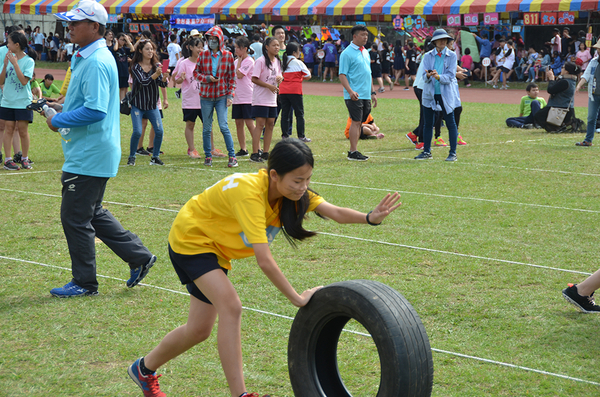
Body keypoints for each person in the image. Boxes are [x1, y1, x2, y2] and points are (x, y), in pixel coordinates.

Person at [127, 138, 402, 397]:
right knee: (231, 307)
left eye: (307, 179)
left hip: (216, 248)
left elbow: (334, 212)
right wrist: (297, 298)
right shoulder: (249, 195)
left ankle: (143, 369)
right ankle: (241, 394)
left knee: (199, 330)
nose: (303, 187)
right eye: (297, 180)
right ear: (274, 175)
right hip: (192, 240)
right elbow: (264, 260)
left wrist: (370, 218)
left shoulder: (292, 194)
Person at [46, 0, 157, 297]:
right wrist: (61, 107)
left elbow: (95, 110)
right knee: (91, 212)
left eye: (75, 22)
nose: (69, 27)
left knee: (75, 217)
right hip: (93, 150)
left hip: (89, 153)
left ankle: (85, 282)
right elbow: (90, 103)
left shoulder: (95, 60)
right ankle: (139, 257)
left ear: (95, 27)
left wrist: (59, 119)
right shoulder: (91, 56)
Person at [193, 25, 238, 168]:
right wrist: (207, 78)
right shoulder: (203, 55)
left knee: (223, 126)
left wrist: (230, 95)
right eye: (209, 39)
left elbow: (232, 77)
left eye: (214, 39)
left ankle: (232, 156)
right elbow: (196, 73)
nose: (211, 41)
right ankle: (208, 155)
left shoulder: (228, 56)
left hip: (222, 95)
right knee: (206, 127)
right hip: (206, 96)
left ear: (220, 40)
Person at [414, 29, 459, 162]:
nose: (443, 41)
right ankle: (426, 151)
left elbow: (451, 76)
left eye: (445, 39)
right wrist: (428, 75)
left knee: (450, 123)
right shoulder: (427, 56)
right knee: (428, 123)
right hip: (429, 93)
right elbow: (424, 76)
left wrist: (439, 77)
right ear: (434, 42)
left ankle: (453, 153)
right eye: (440, 39)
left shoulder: (452, 55)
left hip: (445, 93)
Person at [126, 39, 168, 166]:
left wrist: (164, 77)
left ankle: (155, 157)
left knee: (159, 131)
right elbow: (144, 81)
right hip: (138, 105)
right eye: (147, 49)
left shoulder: (157, 66)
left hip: (152, 105)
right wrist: (156, 74)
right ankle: (132, 156)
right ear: (140, 51)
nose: (151, 51)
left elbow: (162, 83)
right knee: (137, 131)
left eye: (152, 49)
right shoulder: (135, 67)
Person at [339, 25, 377, 162]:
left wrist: (373, 92)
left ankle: (354, 150)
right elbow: (342, 75)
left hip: (366, 94)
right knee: (356, 122)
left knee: (360, 122)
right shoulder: (347, 53)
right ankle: (353, 151)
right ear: (354, 36)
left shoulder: (365, 52)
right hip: (354, 94)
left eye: (366, 35)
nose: (365, 37)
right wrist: (350, 91)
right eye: (362, 35)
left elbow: (369, 73)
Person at [0, 30, 35, 171]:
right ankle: (8, 160)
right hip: (7, 101)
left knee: (22, 131)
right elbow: (1, 80)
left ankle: (24, 159)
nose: (7, 45)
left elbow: (24, 81)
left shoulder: (29, 61)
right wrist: (4, 65)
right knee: (8, 129)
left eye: (9, 42)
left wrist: (15, 64)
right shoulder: (9, 58)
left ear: (17, 44)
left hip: (23, 102)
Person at [250, 37, 282, 163]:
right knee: (260, 125)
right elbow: (254, 78)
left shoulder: (277, 61)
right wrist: (269, 86)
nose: (277, 47)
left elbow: (279, 75)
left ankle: (265, 152)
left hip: (272, 99)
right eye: (274, 45)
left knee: (270, 124)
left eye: (278, 45)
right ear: (266, 47)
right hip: (260, 99)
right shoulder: (260, 61)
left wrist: (280, 79)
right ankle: (254, 153)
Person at [173, 36, 204, 159]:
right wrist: (182, 77)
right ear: (191, 47)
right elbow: (177, 80)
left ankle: (212, 149)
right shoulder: (184, 63)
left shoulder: (205, 62)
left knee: (208, 125)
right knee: (190, 124)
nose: (200, 49)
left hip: (204, 100)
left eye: (202, 47)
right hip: (190, 101)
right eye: (198, 47)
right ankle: (192, 149)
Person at [534, 61, 580, 133]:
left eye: (563, 68)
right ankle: (562, 125)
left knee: (538, 116)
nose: (561, 69)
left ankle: (559, 127)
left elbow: (551, 90)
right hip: (566, 109)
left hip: (559, 109)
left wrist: (551, 79)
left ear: (567, 71)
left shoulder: (565, 82)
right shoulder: (571, 81)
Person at [279, 42, 311, 142]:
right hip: (295, 91)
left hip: (283, 90)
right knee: (299, 114)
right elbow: (308, 76)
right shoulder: (298, 63)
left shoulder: (281, 63)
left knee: (285, 113)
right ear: (294, 52)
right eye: (298, 51)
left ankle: (285, 135)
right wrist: (300, 77)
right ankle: (301, 136)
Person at [231, 36, 255, 157]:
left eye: (238, 48)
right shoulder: (235, 62)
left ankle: (257, 149)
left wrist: (239, 61)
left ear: (245, 49)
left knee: (250, 124)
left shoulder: (249, 61)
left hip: (247, 96)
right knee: (238, 123)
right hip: (237, 97)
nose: (236, 50)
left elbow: (240, 74)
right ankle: (243, 149)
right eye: (235, 47)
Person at [574, 44, 600, 146]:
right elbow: (586, 75)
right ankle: (588, 140)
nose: (598, 50)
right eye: (598, 48)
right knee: (591, 118)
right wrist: (579, 85)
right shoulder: (593, 62)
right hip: (594, 94)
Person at [113, 32, 135, 100]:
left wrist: (127, 40)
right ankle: (119, 102)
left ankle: (122, 102)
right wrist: (116, 42)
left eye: (124, 40)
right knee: (117, 88)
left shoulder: (125, 49)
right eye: (121, 39)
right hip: (118, 71)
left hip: (125, 71)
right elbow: (115, 49)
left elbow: (132, 49)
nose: (123, 41)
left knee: (124, 88)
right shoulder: (115, 48)